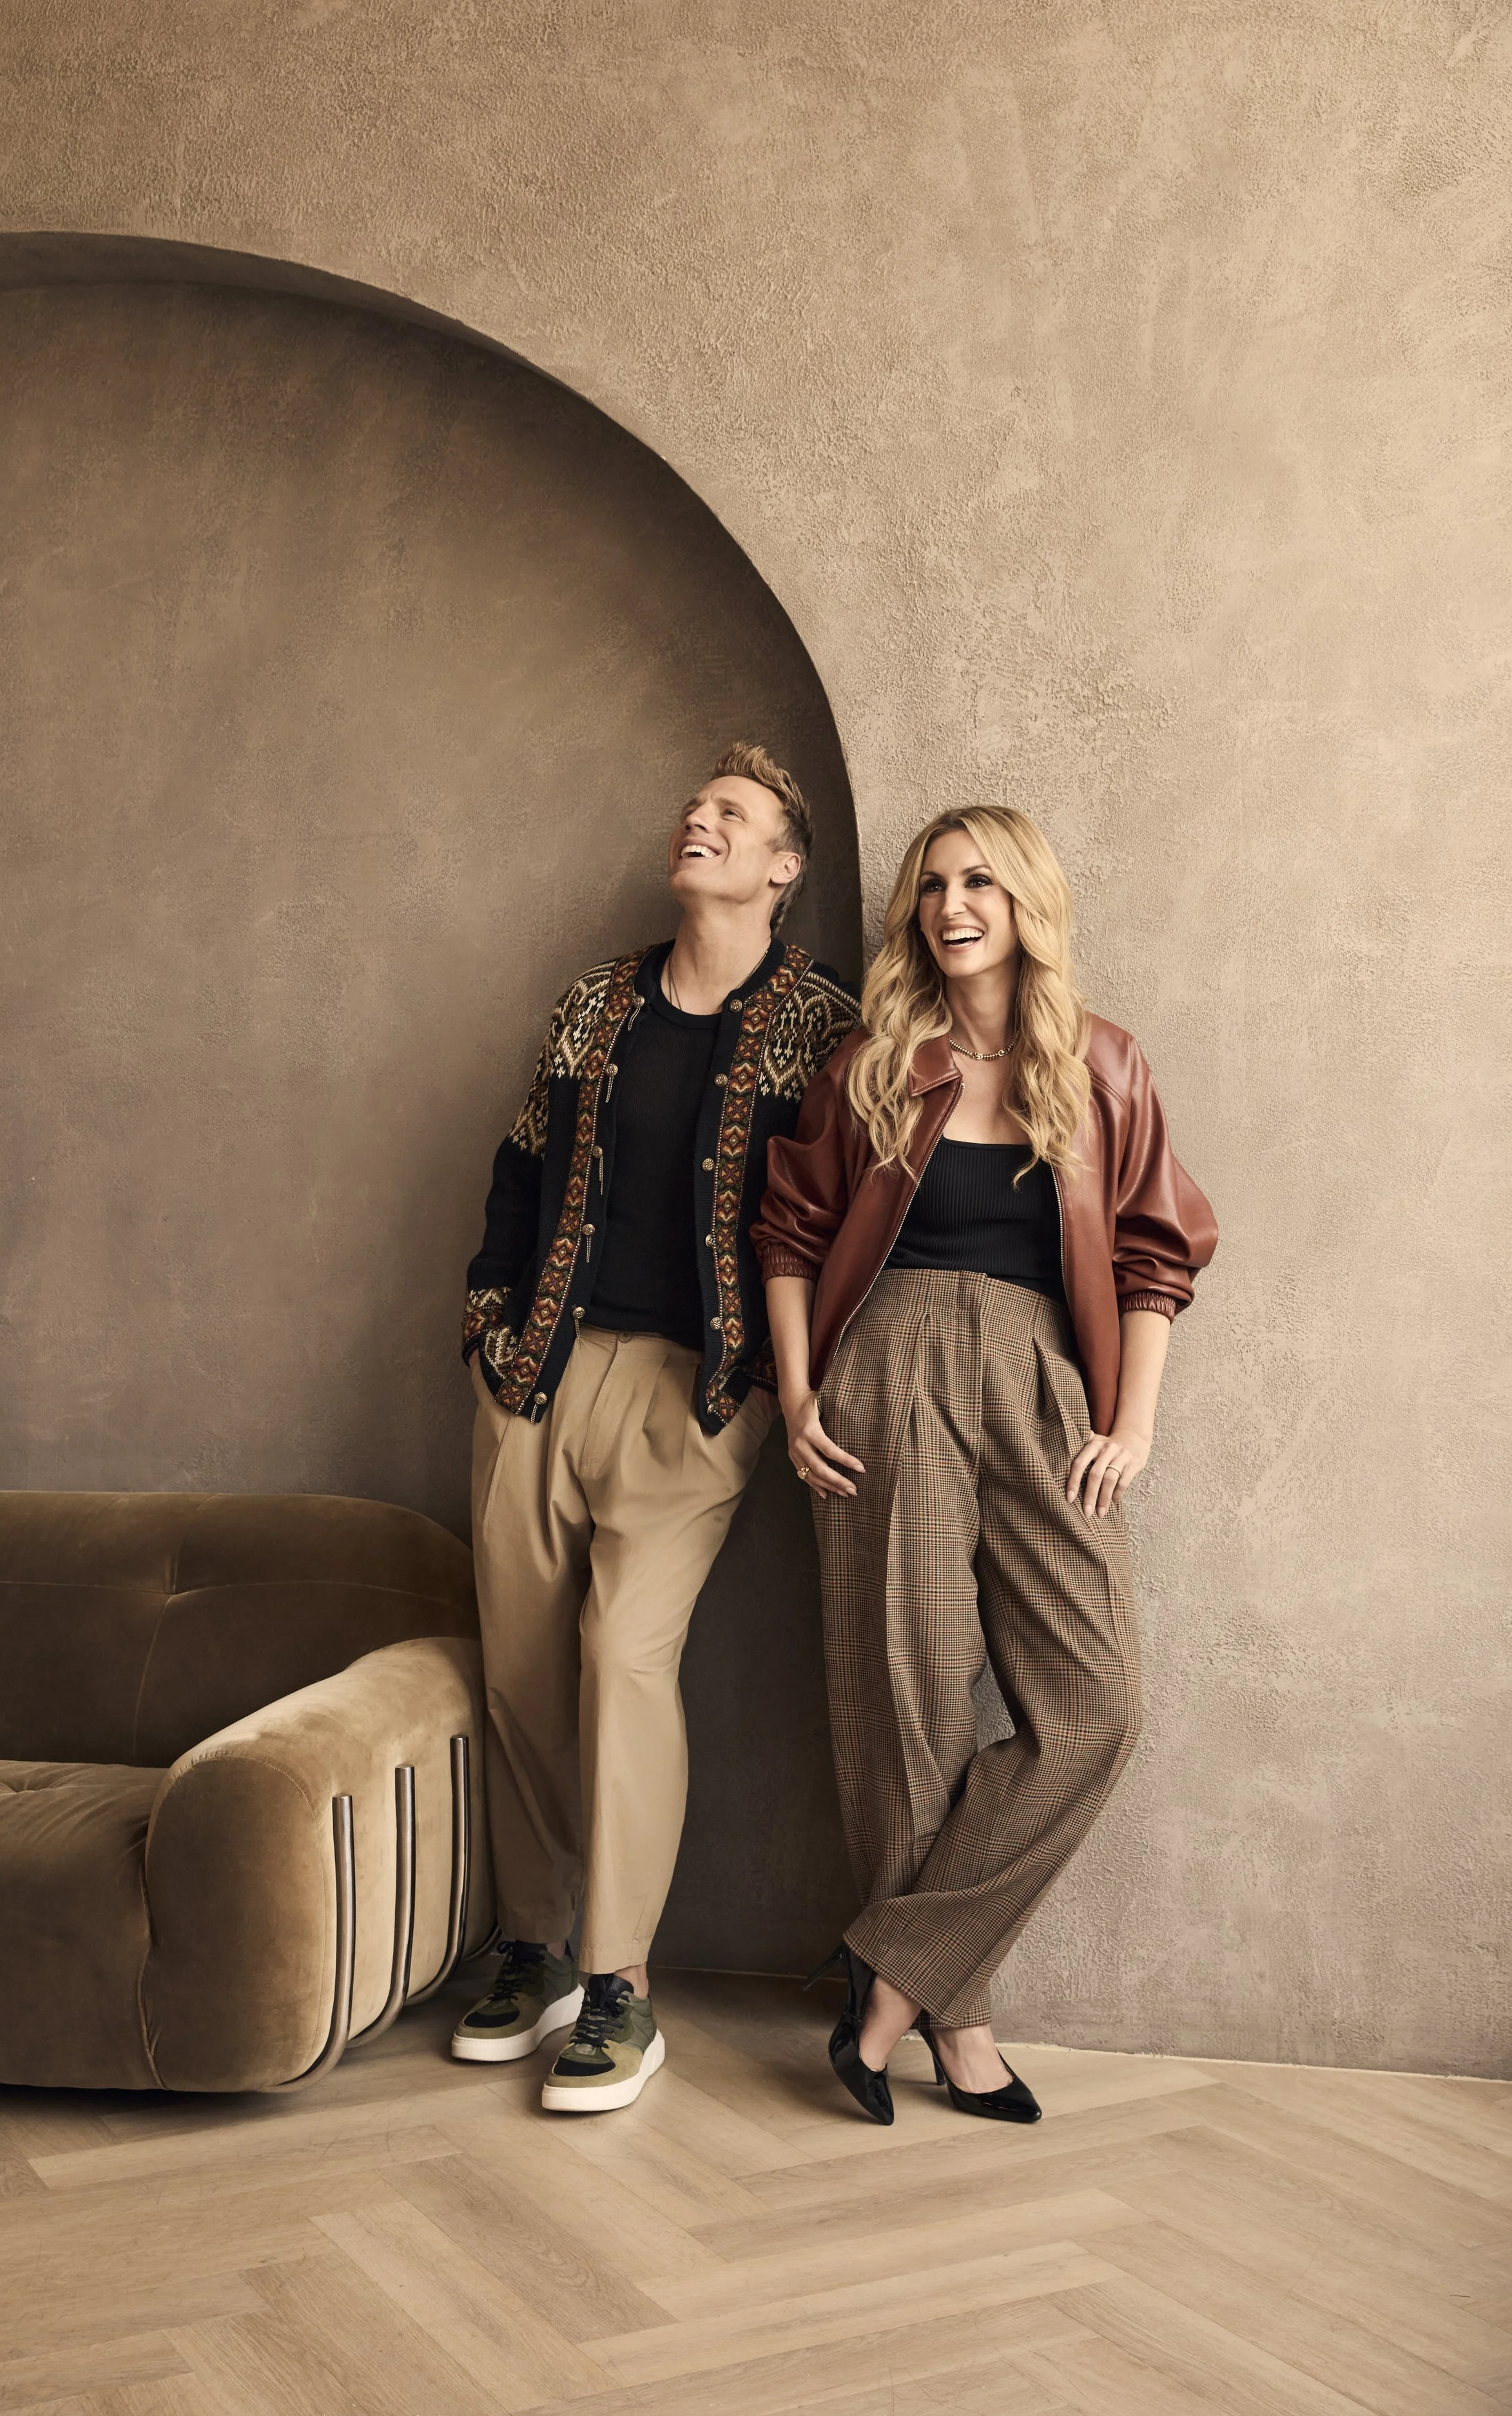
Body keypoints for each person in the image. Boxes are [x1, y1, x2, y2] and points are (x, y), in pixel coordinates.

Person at [754, 804, 1216, 2125]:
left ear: (1024, 905)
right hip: (884, 1368)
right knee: (905, 1712)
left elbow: (1153, 1256)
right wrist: (795, 1393)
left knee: (1096, 1702)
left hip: (1039, 1381)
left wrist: (1132, 1420)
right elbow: (788, 1229)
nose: (950, 904)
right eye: (932, 885)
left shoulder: (1102, 1066)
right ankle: (958, 2027)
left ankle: (884, 1978)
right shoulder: (870, 1063)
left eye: (979, 883)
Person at [454, 743, 857, 2112]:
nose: (699, 822)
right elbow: (517, 1165)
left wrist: (769, 1383)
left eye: (729, 815)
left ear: (778, 868)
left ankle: (619, 1987)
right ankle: (533, 1947)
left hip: (699, 1392)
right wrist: (486, 1323)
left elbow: (835, 1216)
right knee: (517, 1668)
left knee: (622, 1658)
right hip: (540, 1370)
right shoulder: (596, 1003)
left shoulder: (819, 1024)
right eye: (697, 810)